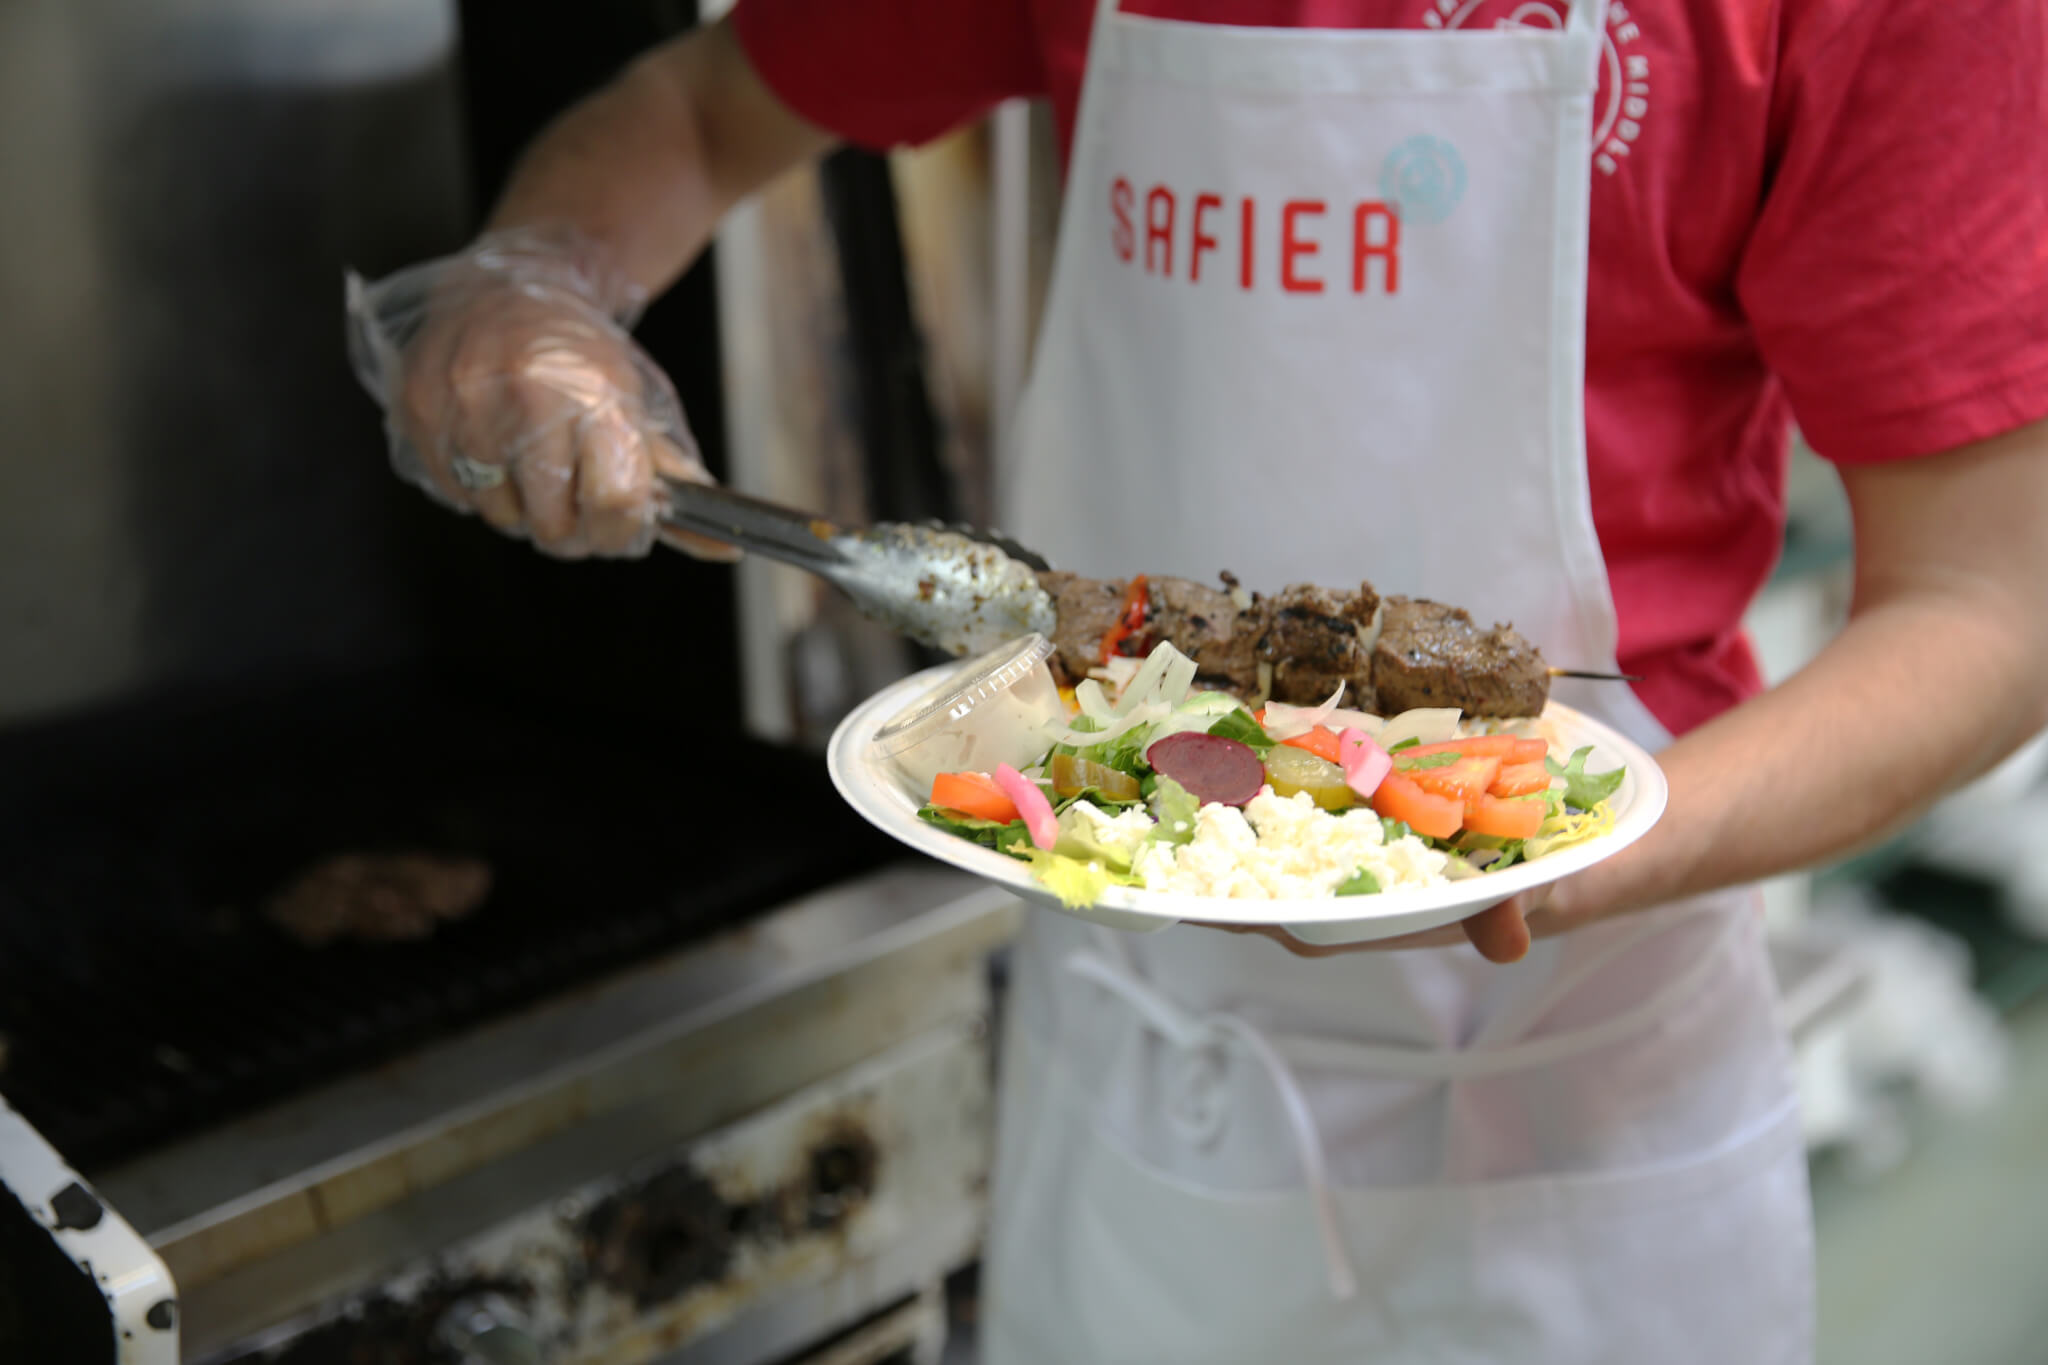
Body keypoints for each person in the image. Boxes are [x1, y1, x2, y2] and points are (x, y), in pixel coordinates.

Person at [345, 2, 2048, 1360]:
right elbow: (711, 107)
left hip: (1572, 1113)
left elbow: (1993, 598)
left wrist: (1564, 850)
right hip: (1139, 1052)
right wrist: (539, 285)